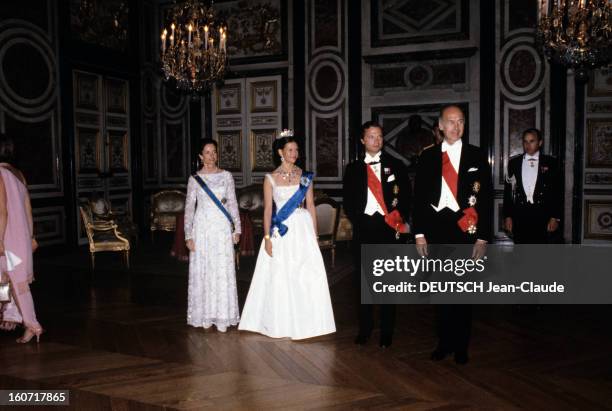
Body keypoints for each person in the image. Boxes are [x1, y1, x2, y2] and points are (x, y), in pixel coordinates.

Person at [412, 105, 492, 364]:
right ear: (440, 125)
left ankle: (461, 345)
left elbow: (486, 198)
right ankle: (443, 342)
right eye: (451, 121)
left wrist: (482, 237)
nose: (456, 126)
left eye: (460, 122)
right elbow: (419, 199)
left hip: (465, 231)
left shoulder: (477, 156)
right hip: (436, 231)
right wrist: (419, 234)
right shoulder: (427, 156)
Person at [239, 130, 336, 339]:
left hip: (302, 230)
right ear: (280, 152)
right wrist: (266, 238)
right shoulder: (270, 178)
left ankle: (308, 321)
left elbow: (310, 205)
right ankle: (280, 322)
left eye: (297, 150)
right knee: (281, 275)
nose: (295, 153)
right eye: (290, 150)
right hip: (281, 232)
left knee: (305, 275)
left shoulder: (305, 176)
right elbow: (267, 211)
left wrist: (315, 235)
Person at [343, 121, 411, 348]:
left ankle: (387, 331)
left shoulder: (396, 165)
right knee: (364, 284)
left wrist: (398, 220)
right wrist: (359, 220)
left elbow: (406, 199)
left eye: (380, 136)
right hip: (363, 230)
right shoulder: (352, 169)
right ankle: (365, 329)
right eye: (372, 136)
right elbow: (349, 202)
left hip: (388, 230)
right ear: (363, 140)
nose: (377, 140)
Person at [184, 139, 241, 332]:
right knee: (205, 271)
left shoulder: (226, 176)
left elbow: (232, 202)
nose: (211, 155)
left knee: (221, 271)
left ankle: (223, 316)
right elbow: (189, 209)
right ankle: (205, 315)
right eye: (207, 152)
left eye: (214, 152)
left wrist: (237, 228)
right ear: (200, 156)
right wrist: (188, 235)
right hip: (202, 229)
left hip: (222, 229)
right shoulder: (194, 179)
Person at [0, 134, 42, 343]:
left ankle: (32, 325)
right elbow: (28, 210)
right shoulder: (18, 174)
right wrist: (31, 237)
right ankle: (13, 317)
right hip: (20, 238)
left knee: (14, 283)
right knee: (9, 281)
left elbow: (2, 212)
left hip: (6, 237)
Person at [503, 128, 562, 244]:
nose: (528, 145)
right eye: (525, 141)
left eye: (532, 141)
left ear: (540, 143)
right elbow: (508, 192)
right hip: (520, 215)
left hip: (543, 215)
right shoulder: (514, 163)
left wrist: (555, 217)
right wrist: (508, 216)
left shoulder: (551, 162)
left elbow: (557, 191)